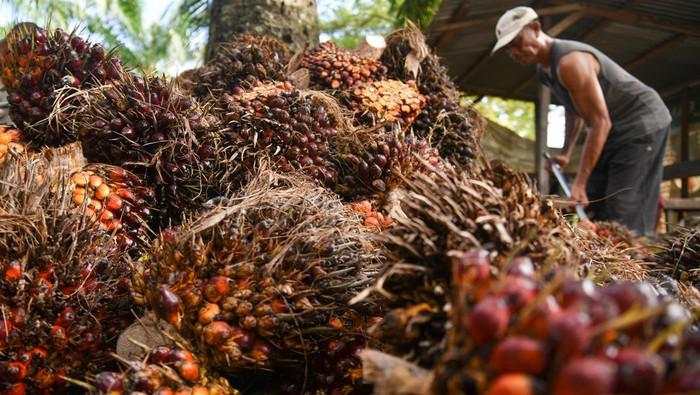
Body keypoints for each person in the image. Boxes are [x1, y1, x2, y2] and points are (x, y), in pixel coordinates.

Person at [491, 6, 671, 236]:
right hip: (613, 129)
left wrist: (579, 182)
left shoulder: (570, 62)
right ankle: (606, 257)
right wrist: (566, 153)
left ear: (536, 29)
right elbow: (574, 111)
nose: (514, 52)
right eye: (509, 49)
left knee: (622, 205)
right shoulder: (545, 70)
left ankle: (635, 264)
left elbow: (600, 122)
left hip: (642, 122)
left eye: (516, 42)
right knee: (595, 201)